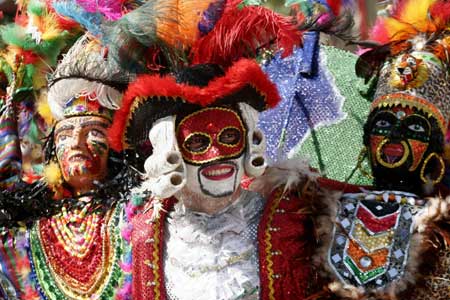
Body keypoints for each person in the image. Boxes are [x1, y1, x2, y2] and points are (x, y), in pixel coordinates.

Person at [108, 59, 328, 300]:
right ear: (171, 153)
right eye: (198, 142)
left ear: (247, 143)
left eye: (230, 137)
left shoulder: (295, 218)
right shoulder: (145, 231)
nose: (217, 155)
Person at [317, 0, 450, 298]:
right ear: (367, 138)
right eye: (384, 123)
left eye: (415, 128)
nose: (395, 136)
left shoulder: (443, 225)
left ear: (434, 148)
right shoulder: (320, 207)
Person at [0, 34, 136, 299]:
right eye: (63, 135)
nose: (75, 142)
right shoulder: (26, 232)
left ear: (117, 145)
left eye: (94, 131)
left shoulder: (136, 215)